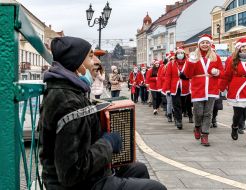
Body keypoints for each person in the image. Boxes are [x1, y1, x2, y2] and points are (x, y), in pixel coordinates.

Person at [38, 36, 167, 190]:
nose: (97, 62)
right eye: (91, 56)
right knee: (155, 188)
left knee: (139, 169)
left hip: (87, 177)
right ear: (76, 63)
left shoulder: (69, 91)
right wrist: (108, 143)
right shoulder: (68, 101)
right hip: (79, 184)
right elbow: (70, 173)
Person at [185, 34, 224, 146]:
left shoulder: (215, 57)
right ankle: (197, 127)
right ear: (199, 44)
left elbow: (223, 73)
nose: (205, 44)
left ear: (210, 44)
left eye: (207, 43)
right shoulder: (193, 57)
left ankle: (205, 134)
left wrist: (217, 72)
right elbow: (188, 74)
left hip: (211, 88)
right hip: (198, 88)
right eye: (203, 43)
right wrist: (190, 63)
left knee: (208, 113)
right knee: (198, 112)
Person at [164, 48, 191, 129]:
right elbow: (168, 77)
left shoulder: (188, 63)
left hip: (185, 87)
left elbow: (191, 74)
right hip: (174, 87)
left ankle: (176, 116)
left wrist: (185, 76)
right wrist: (168, 89)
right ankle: (179, 120)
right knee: (176, 104)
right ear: (176, 55)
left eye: (181, 53)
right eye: (178, 53)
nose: (180, 55)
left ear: (184, 54)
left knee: (182, 105)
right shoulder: (171, 64)